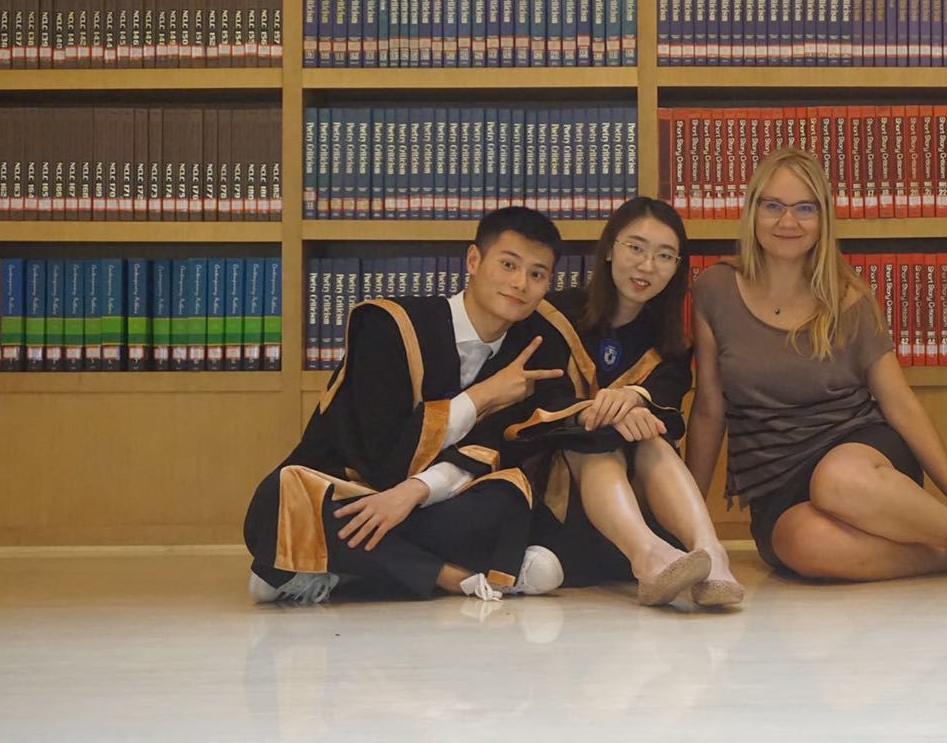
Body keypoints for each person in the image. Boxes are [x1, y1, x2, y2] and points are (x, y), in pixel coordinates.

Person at [686, 147, 947, 582]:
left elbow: (899, 402)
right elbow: (709, 409)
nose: (788, 221)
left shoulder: (849, 300)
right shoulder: (715, 289)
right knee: (803, 544)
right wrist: (689, 523)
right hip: (776, 481)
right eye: (773, 206)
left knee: (837, 480)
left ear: (823, 219)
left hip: (860, 456)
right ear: (752, 211)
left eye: (805, 208)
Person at [243, 206, 571, 605]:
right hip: (352, 486)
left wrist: (413, 493)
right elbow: (381, 458)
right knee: (278, 500)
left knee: (506, 498)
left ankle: (320, 564)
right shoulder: (388, 327)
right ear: (473, 260)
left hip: (431, 504)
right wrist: (482, 396)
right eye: (508, 265)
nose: (520, 283)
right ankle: (452, 576)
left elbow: (491, 453)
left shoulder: (533, 351)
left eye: (537, 274)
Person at [504, 197, 744, 607]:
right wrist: (599, 412)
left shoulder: (670, 343)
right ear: (610, 249)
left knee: (652, 437)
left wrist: (634, 398)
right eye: (636, 247)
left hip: (641, 504)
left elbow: (669, 408)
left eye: (664, 256)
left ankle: (710, 553)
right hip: (560, 512)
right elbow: (537, 403)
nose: (647, 266)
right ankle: (647, 557)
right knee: (596, 438)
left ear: (677, 268)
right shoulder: (553, 316)